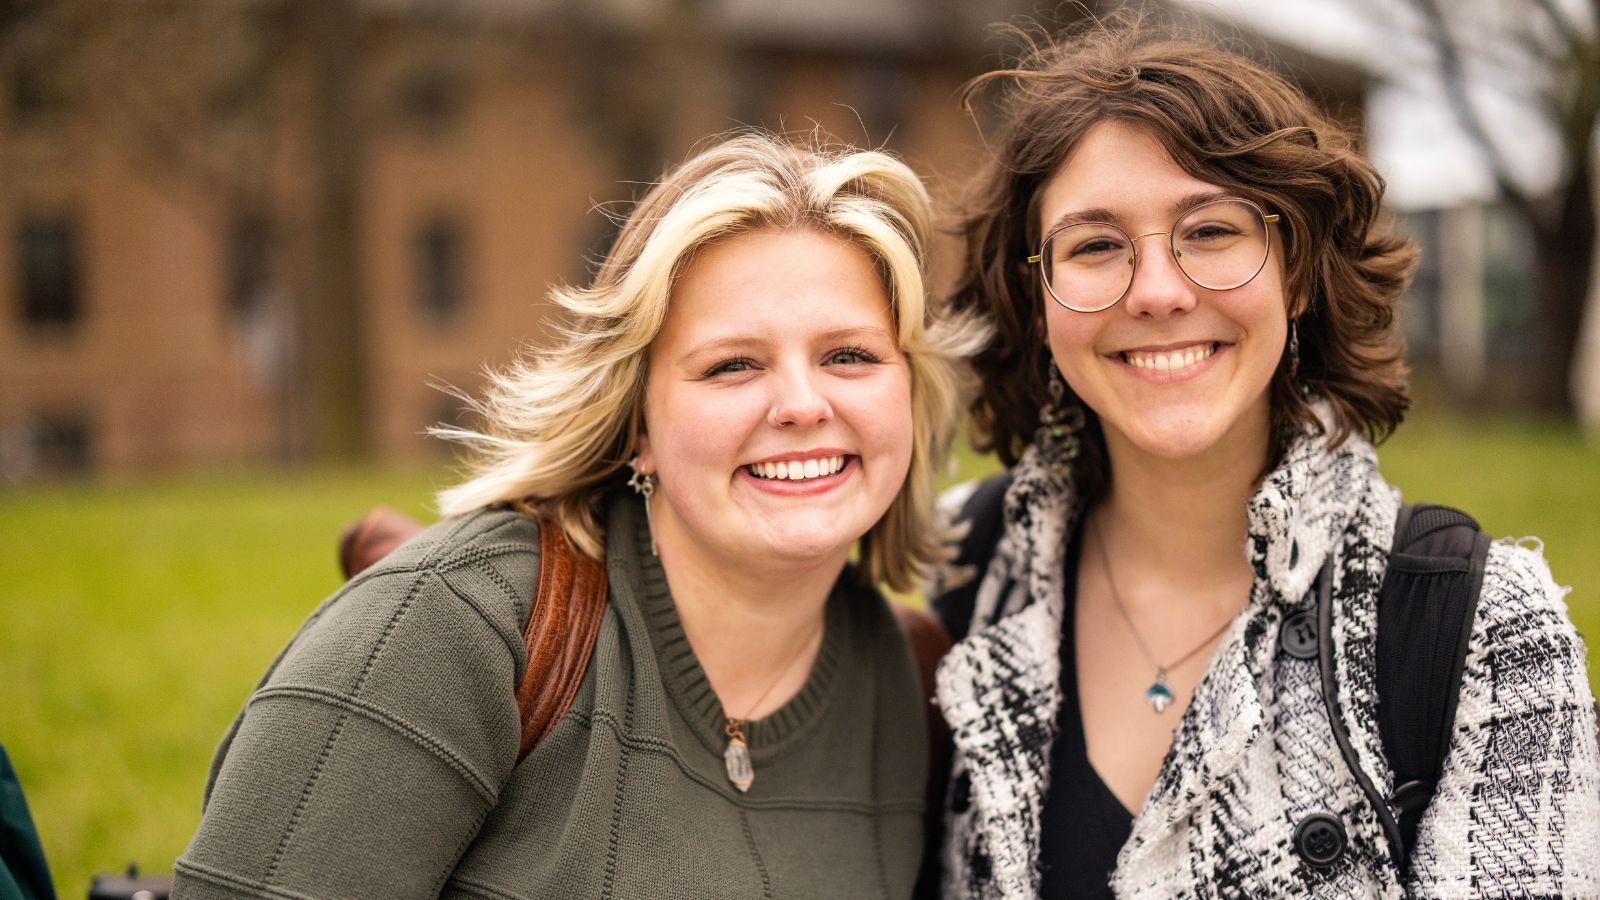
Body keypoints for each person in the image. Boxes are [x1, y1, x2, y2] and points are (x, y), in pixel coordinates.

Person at [173, 132, 981, 899]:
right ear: (639, 425)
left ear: (909, 392)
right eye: (733, 365)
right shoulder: (451, 631)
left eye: (850, 355)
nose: (804, 405)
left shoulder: (914, 687)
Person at [927, 22, 1600, 899]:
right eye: (1095, 245)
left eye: (1210, 230)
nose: (1160, 292)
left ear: (1299, 271)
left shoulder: (1481, 633)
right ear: (1035, 294)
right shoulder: (964, 574)